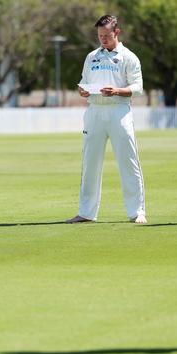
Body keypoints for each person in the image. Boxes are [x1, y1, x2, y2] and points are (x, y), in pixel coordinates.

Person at [65, 15, 147, 225]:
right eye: (100, 36)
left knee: (128, 162)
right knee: (90, 163)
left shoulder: (129, 57)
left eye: (107, 36)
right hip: (94, 112)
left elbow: (138, 87)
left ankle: (137, 211)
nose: (103, 39)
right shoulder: (92, 56)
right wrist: (83, 91)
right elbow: (84, 81)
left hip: (119, 111)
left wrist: (118, 90)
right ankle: (86, 212)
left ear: (117, 32)